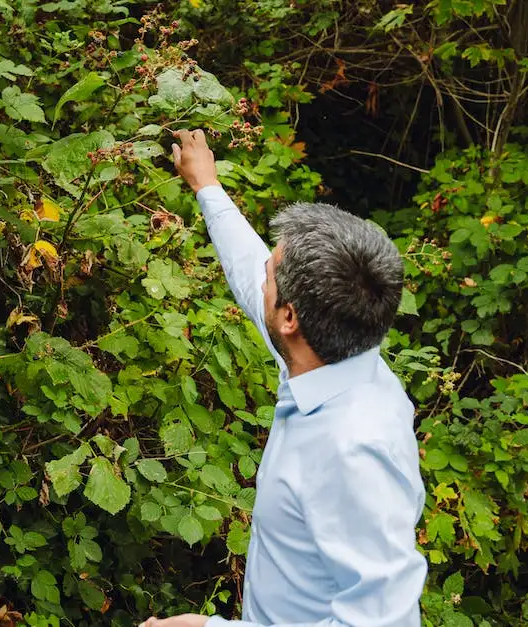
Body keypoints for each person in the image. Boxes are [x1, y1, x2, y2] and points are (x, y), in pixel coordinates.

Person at [139, 130, 428, 627]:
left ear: (290, 317)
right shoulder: (336, 357)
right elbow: (254, 277)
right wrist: (207, 186)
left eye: (272, 274)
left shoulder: (352, 449)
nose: (262, 279)